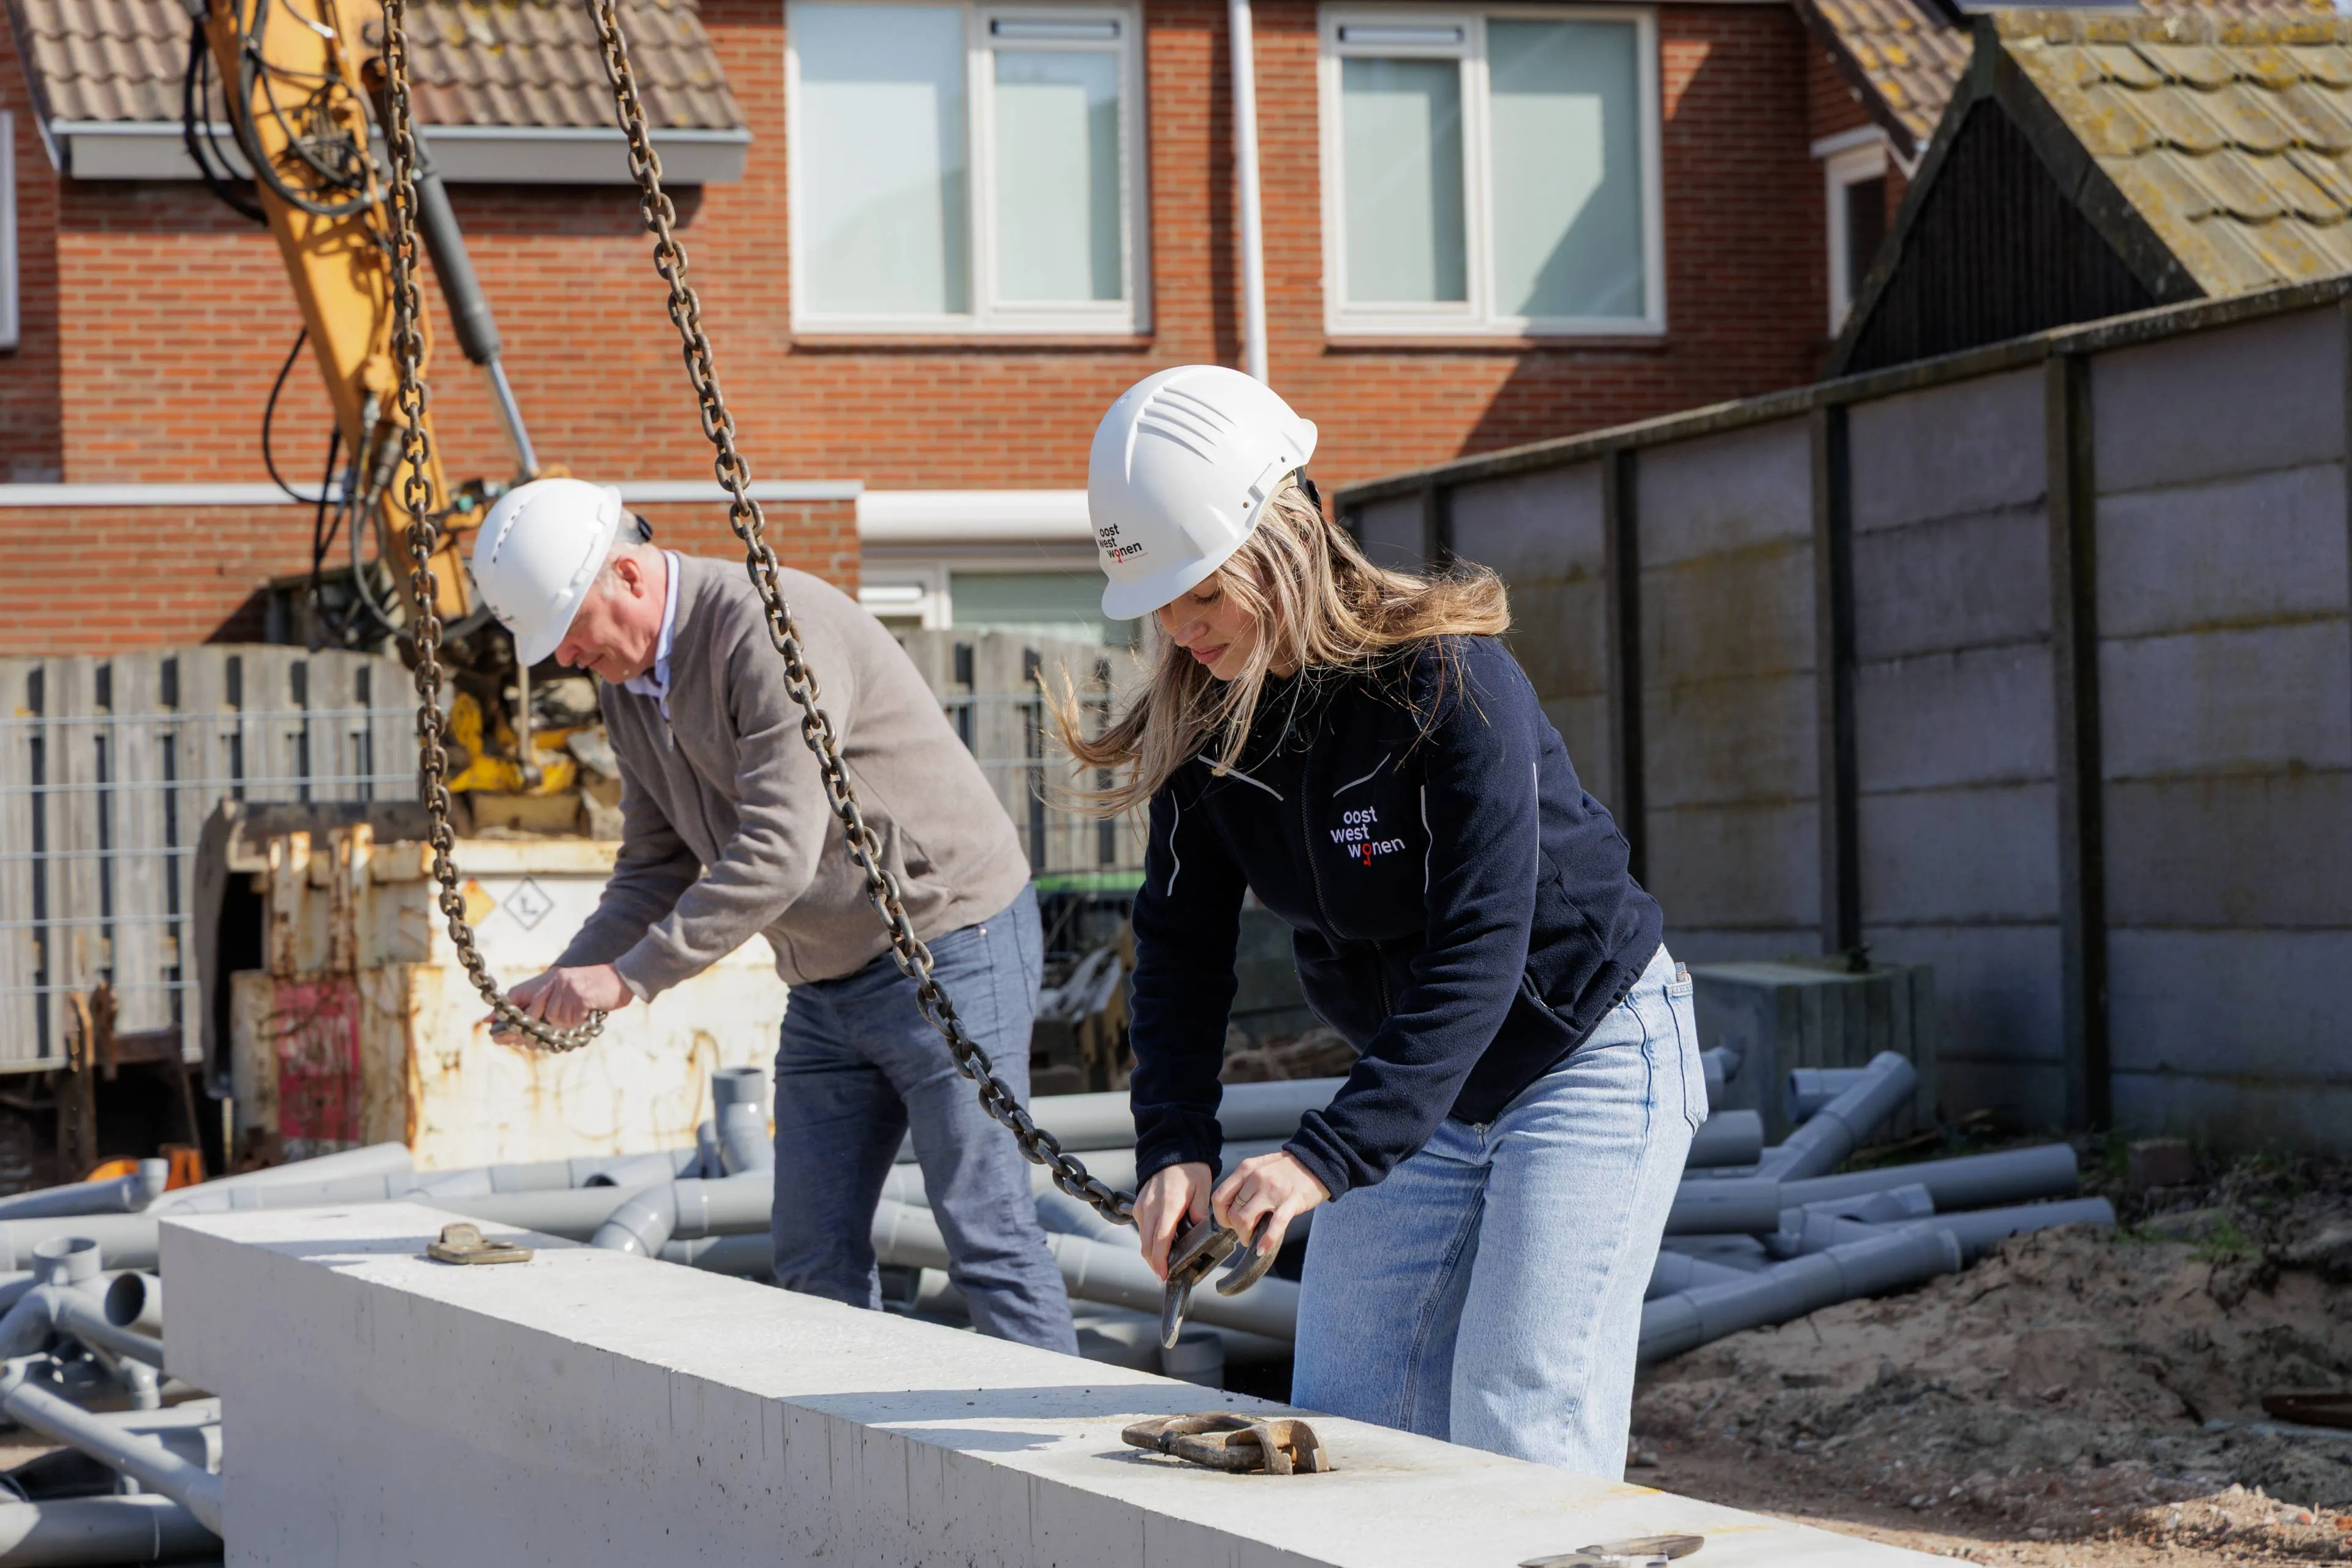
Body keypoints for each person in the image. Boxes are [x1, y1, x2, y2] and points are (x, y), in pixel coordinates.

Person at [1057, 366, 1700, 1473]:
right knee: (1345, 1416)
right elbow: (1180, 946)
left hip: (1582, 1056)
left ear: (1287, 537)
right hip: (1415, 1081)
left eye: (1203, 592)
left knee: (1518, 1417)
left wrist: (1325, 1157)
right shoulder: (1205, 727)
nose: (1180, 626)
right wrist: (1173, 1142)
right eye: (1160, 601)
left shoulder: (1452, 682)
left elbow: (1483, 947)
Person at [470, 478, 1076, 1354]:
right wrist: (572, 978)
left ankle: (1060, 1463)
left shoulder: (764, 627)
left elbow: (779, 852)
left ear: (631, 580)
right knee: (811, 1254)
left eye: (572, 634)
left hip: (948, 938)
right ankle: (854, 1463)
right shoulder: (629, 682)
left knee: (986, 1231)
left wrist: (630, 978)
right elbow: (654, 864)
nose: (567, 661)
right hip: (828, 977)